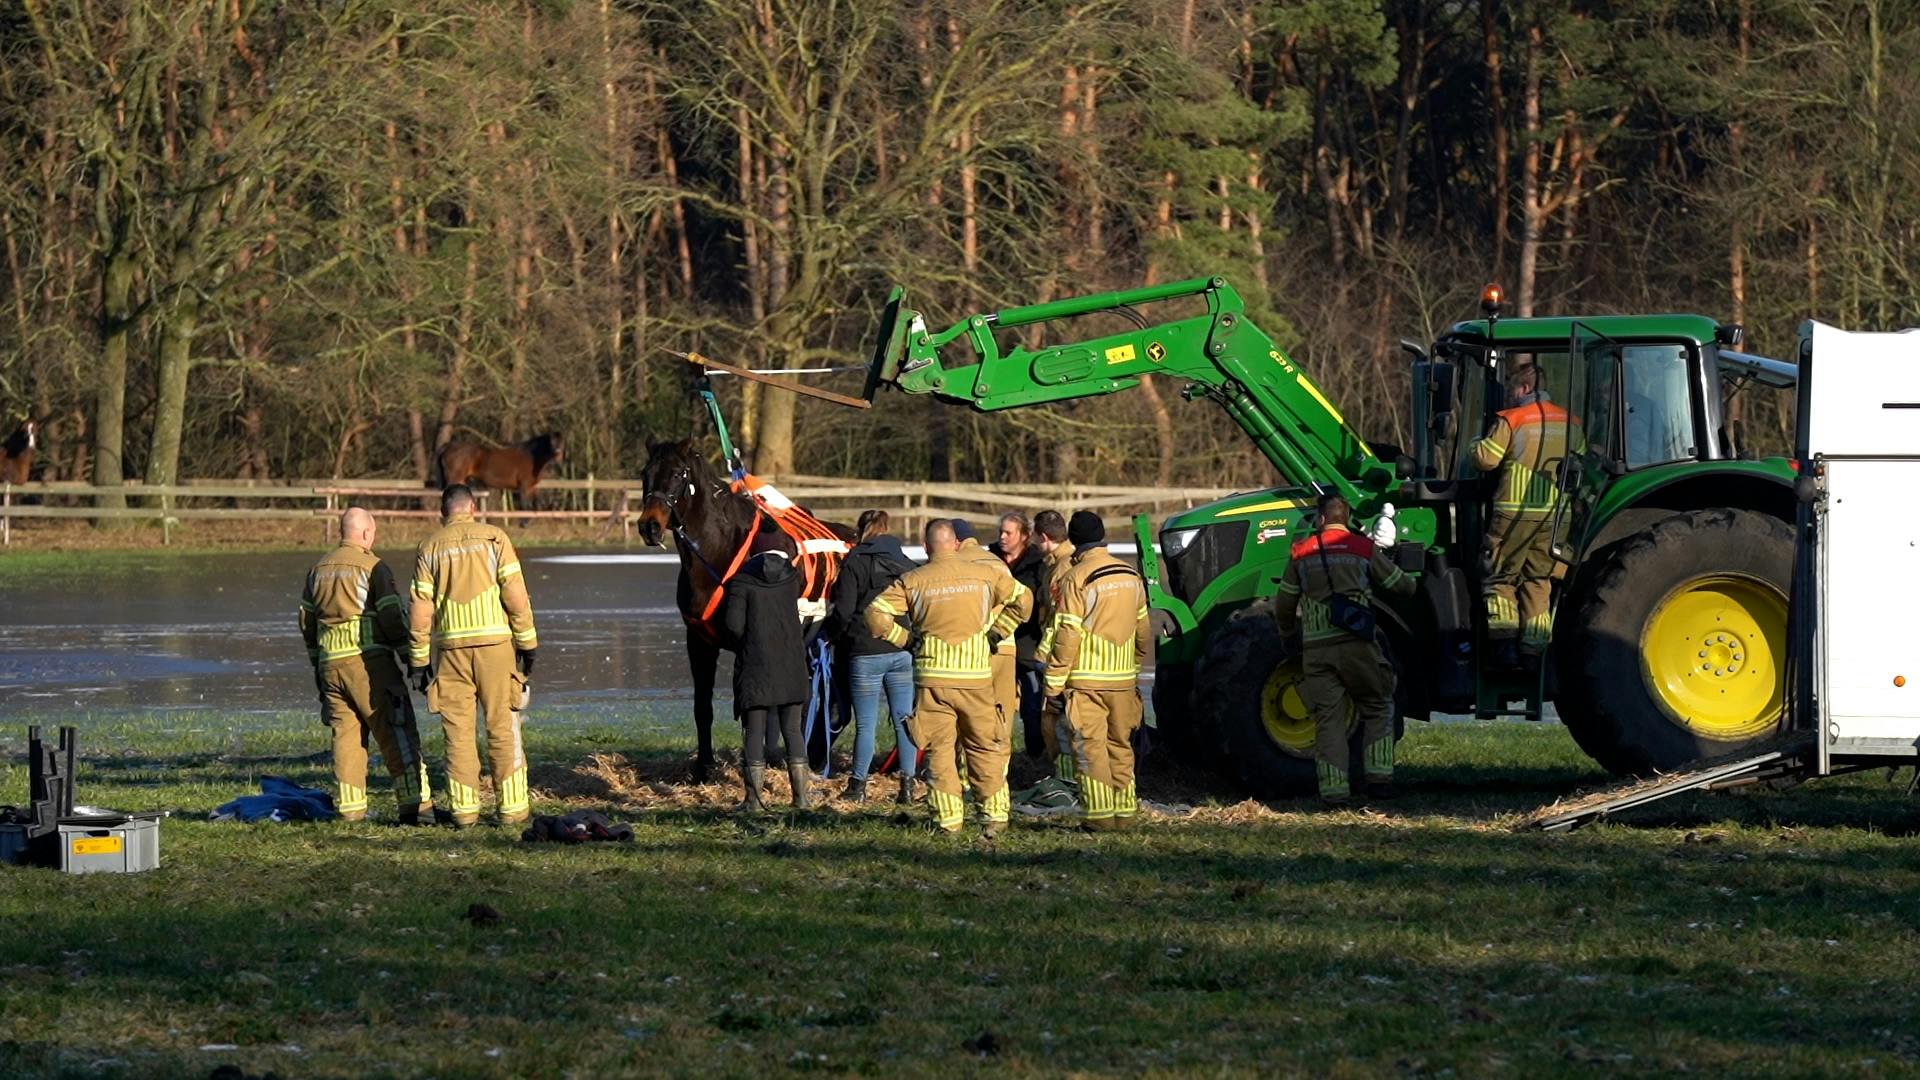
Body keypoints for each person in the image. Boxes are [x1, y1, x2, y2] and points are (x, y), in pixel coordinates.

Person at [865, 520, 1027, 837]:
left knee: (940, 752)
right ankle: (994, 817)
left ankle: (948, 821)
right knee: (983, 748)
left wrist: (906, 640)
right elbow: (1024, 601)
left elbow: (875, 613)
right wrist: (996, 633)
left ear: (926, 548)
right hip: (976, 678)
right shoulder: (986, 574)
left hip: (933, 680)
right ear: (955, 544)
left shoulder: (913, 579)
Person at [1271, 493, 1416, 805]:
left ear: (1320, 519)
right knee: (1378, 705)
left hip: (1317, 649)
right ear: (1346, 519)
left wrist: (1286, 634)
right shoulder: (1362, 549)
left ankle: (1334, 793)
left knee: (1328, 718)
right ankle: (1379, 782)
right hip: (1357, 644)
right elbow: (1402, 586)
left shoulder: (1301, 552)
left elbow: (1284, 604)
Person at [407, 484, 539, 828]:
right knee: (502, 726)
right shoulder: (495, 538)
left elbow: (420, 611)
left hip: (451, 651)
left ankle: (465, 812)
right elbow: (516, 595)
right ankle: (511, 810)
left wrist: (419, 661)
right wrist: (528, 643)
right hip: (496, 648)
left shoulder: (430, 547)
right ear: (473, 509)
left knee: (458, 732)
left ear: (443, 513)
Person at [299, 507, 434, 823]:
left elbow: (306, 622)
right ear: (365, 533)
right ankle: (417, 809)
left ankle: (351, 810)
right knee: (396, 731)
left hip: (330, 666)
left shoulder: (317, 570)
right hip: (369, 664)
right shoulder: (373, 567)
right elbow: (390, 616)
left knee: (346, 740)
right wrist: (411, 658)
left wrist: (319, 667)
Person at [1043, 511, 1151, 830]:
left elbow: (1067, 635)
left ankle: (1100, 820)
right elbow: (1143, 631)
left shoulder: (1076, 578)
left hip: (1087, 682)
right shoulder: (1130, 575)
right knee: (1121, 746)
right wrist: (1132, 668)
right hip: (1123, 681)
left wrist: (1053, 684)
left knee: (1090, 750)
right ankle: (1126, 815)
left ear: (1073, 540)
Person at [1472, 363, 1575, 667]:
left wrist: (1471, 447)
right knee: (1538, 581)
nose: (1511, 396)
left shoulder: (1513, 419)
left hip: (1514, 514)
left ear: (1526, 389)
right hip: (1556, 517)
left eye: (1514, 389)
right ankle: (1533, 654)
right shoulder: (1571, 422)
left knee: (1499, 577)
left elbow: (1486, 460)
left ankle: (1504, 650)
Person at [827, 509, 919, 804]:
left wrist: (829, 635)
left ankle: (857, 786)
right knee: (903, 719)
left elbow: (843, 611)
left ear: (862, 530)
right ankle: (907, 784)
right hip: (901, 648)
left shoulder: (854, 562)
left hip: (864, 651)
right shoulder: (906, 564)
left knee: (866, 723)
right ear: (888, 529)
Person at [724, 521, 814, 811]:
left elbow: (733, 627)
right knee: (793, 731)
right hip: (791, 664)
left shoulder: (740, 583)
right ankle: (801, 798)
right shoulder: (792, 579)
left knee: (754, 731)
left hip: (756, 665)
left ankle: (754, 800)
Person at [954, 519, 1032, 758]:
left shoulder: (957, 564)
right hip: (1005, 650)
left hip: (974, 651)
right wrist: (999, 632)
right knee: (1002, 717)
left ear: (953, 541)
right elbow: (1024, 600)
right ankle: (1001, 774)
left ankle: (969, 778)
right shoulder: (997, 563)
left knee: (970, 718)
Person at [988, 511, 1050, 757]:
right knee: (994, 705)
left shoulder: (1038, 564)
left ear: (1024, 535)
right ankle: (995, 753)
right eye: (1000, 532)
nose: (1002, 537)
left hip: (1027, 645)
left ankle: (1034, 754)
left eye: (1008, 532)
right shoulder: (989, 558)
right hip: (996, 645)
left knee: (1033, 706)